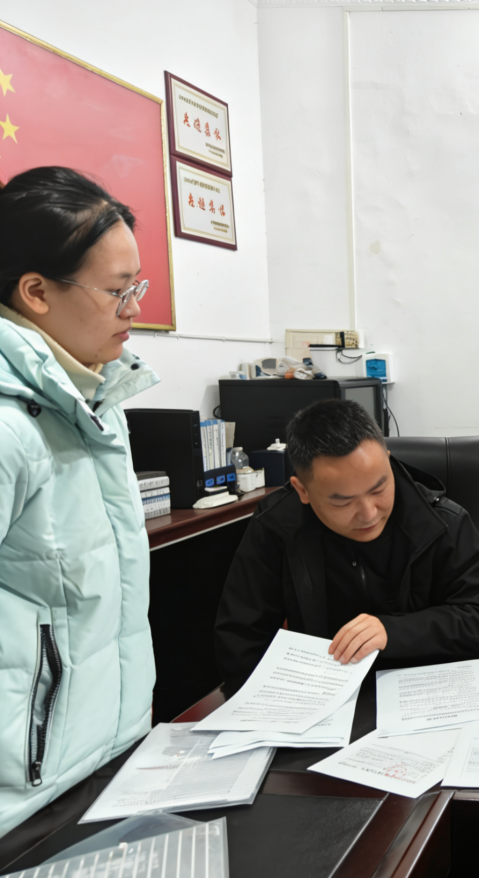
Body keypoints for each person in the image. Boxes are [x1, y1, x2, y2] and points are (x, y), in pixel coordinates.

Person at [0, 167, 158, 836]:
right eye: (118, 292)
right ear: (36, 291)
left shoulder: (94, 396)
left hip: (102, 759)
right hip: (24, 794)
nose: (135, 310)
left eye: (137, 288)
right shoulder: (10, 425)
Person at [215, 399, 479, 694]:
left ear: (388, 461)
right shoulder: (277, 526)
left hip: (428, 690)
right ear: (303, 490)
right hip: (323, 693)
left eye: (379, 488)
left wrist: (393, 631)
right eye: (343, 502)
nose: (369, 514)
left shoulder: (440, 521)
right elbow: (241, 638)